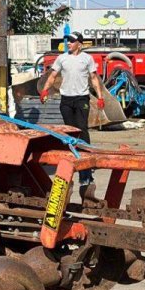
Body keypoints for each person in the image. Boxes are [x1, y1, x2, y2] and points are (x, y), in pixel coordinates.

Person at [40, 32, 106, 185]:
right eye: (68, 41)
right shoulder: (62, 58)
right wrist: (45, 90)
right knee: (70, 131)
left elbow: (94, 78)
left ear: (79, 43)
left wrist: (100, 96)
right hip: (66, 100)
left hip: (82, 99)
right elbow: (52, 76)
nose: (68, 43)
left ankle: (87, 163)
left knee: (82, 128)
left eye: (72, 41)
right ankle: (73, 159)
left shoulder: (87, 59)